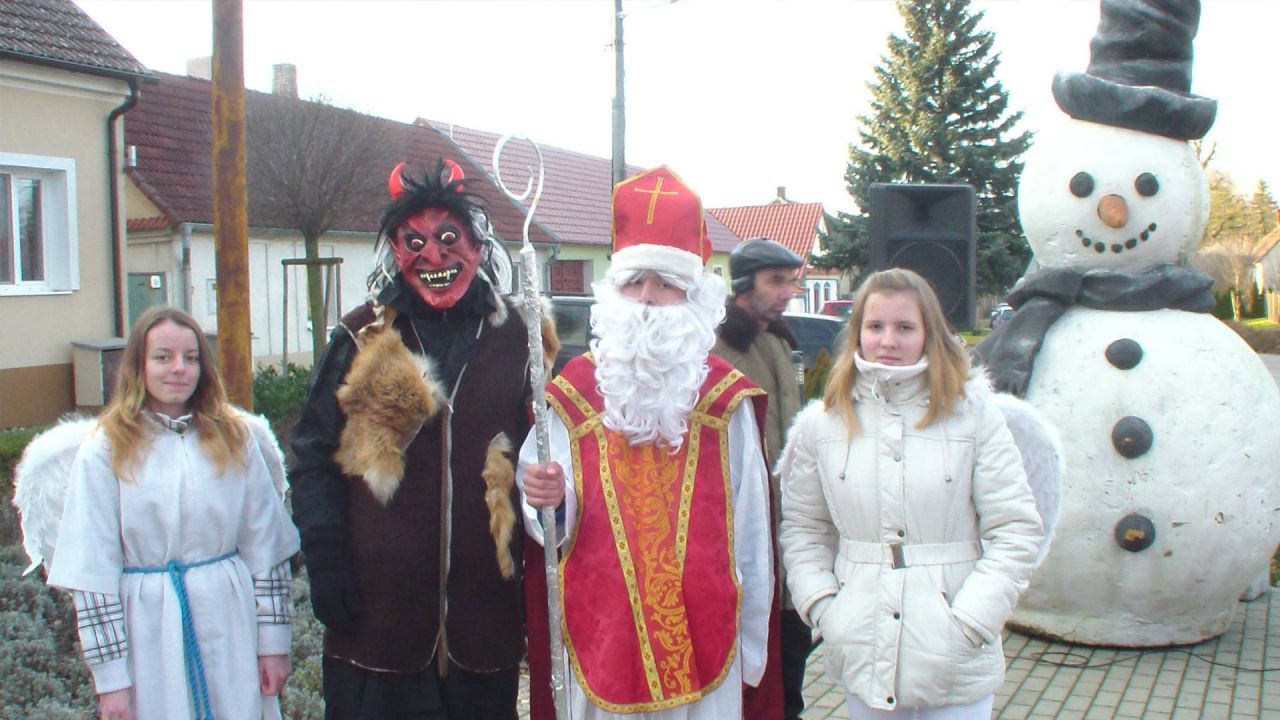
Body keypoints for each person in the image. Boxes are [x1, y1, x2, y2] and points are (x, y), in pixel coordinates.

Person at [519, 165, 780, 720]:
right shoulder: (572, 396)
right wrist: (547, 498)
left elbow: (753, 527)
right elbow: (545, 514)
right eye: (634, 282)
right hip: (601, 632)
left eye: (665, 283)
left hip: (707, 634)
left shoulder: (726, 401)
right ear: (613, 290)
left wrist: (754, 640)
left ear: (693, 295)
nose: (647, 299)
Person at [289, 158, 536, 719]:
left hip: (484, 623)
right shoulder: (362, 337)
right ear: (395, 252)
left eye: (449, 238)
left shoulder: (522, 340)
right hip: (377, 627)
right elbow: (313, 456)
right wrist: (325, 559)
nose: (433, 256)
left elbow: (557, 458)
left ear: (477, 246)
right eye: (414, 241)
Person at [778, 268, 1044, 720]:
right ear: (858, 333)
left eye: (904, 327)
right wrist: (824, 607)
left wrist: (971, 620)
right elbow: (805, 530)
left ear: (928, 333)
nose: (888, 341)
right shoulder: (821, 426)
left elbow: (1016, 530)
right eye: (875, 326)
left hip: (955, 651)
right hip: (861, 642)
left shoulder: (974, 418)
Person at [48, 306, 301, 720]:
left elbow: (266, 548)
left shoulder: (235, 438)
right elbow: (92, 573)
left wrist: (274, 643)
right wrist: (111, 681)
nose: (179, 369)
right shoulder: (107, 448)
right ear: (140, 365)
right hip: (148, 630)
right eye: (163, 357)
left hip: (229, 620)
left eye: (191, 357)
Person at [713, 236, 813, 720]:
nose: (787, 292)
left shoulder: (779, 341)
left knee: (791, 669)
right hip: (739, 539)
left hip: (788, 536)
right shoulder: (713, 348)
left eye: (791, 281)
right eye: (776, 281)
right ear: (742, 284)